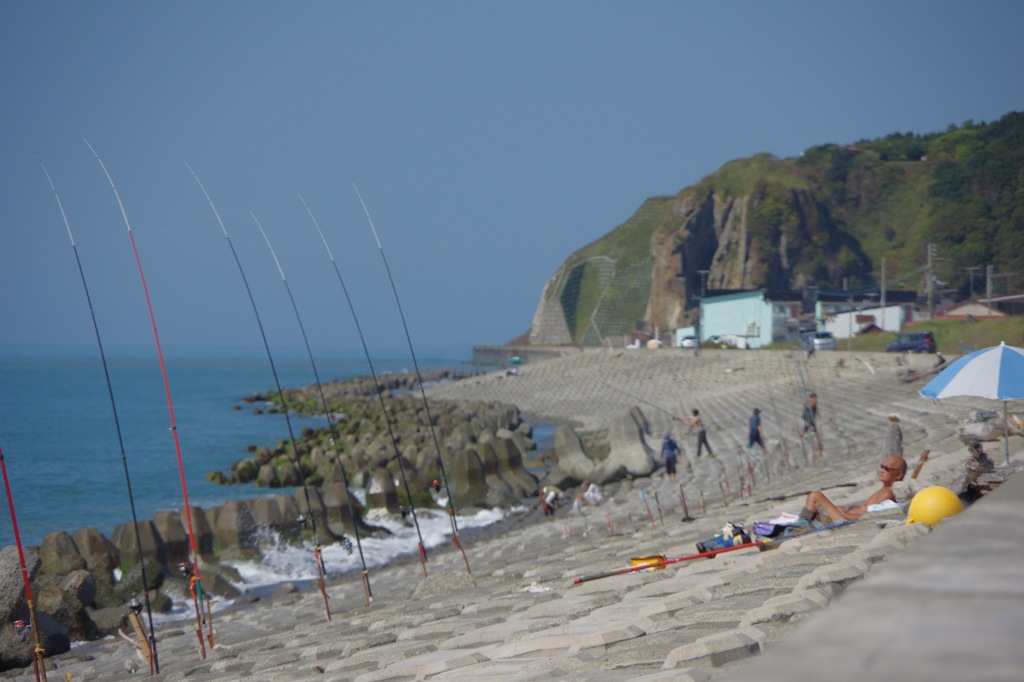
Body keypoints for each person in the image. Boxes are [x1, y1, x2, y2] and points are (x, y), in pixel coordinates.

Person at [799, 455, 906, 524]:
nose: (882, 470)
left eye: (887, 469)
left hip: (846, 520)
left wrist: (843, 514)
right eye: (882, 466)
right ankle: (805, 521)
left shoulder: (888, 492)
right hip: (846, 516)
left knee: (815, 496)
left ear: (899, 475)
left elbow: (867, 516)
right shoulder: (884, 490)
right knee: (836, 507)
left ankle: (802, 524)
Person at [802, 392, 823, 460]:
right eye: (814, 399)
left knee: (816, 440)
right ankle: (815, 455)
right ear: (811, 399)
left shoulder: (814, 406)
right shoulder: (809, 407)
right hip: (810, 426)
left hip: (813, 426)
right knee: (813, 441)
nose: (815, 400)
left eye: (816, 399)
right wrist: (810, 425)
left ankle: (818, 454)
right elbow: (806, 418)